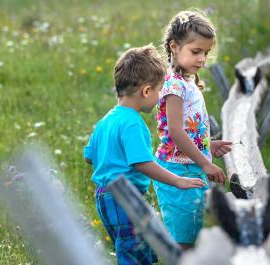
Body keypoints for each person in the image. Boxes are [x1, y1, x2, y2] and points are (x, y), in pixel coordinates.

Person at [84, 44, 206, 265]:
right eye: (159, 91)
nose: (160, 97)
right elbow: (142, 163)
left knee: (134, 249)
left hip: (103, 197)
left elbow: (89, 156)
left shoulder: (106, 120)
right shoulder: (132, 123)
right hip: (125, 198)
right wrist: (177, 180)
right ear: (147, 91)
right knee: (134, 255)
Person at [153, 10, 233, 249]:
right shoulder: (173, 85)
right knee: (183, 239)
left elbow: (188, 130)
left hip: (190, 164)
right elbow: (176, 132)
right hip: (178, 169)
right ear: (174, 47)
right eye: (196, 51)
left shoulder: (188, 81)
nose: (202, 59)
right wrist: (205, 162)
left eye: (206, 53)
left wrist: (208, 144)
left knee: (191, 230)